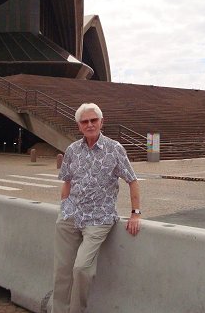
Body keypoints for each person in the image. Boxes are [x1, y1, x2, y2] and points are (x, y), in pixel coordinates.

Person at [51, 102, 141, 313]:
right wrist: (63, 208)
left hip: (99, 219)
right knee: (62, 272)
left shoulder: (114, 149)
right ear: (79, 126)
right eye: (85, 121)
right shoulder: (72, 150)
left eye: (93, 120)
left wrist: (135, 214)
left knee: (82, 269)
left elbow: (132, 180)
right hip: (70, 216)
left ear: (102, 122)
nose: (90, 124)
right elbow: (67, 181)